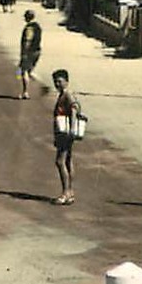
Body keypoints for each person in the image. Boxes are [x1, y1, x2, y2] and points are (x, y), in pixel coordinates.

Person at [50, 69, 82, 205]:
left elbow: (74, 109)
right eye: (55, 81)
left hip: (66, 133)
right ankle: (70, 192)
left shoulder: (67, 95)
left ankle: (65, 193)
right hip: (63, 133)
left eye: (60, 81)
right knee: (68, 161)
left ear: (66, 82)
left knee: (60, 161)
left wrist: (72, 129)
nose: (57, 84)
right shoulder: (63, 95)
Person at [18, 10, 43, 99]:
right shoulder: (38, 27)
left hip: (29, 52)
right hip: (37, 50)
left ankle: (25, 92)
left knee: (23, 71)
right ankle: (42, 85)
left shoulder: (29, 28)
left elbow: (28, 40)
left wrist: (24, 53)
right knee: (29, 71)